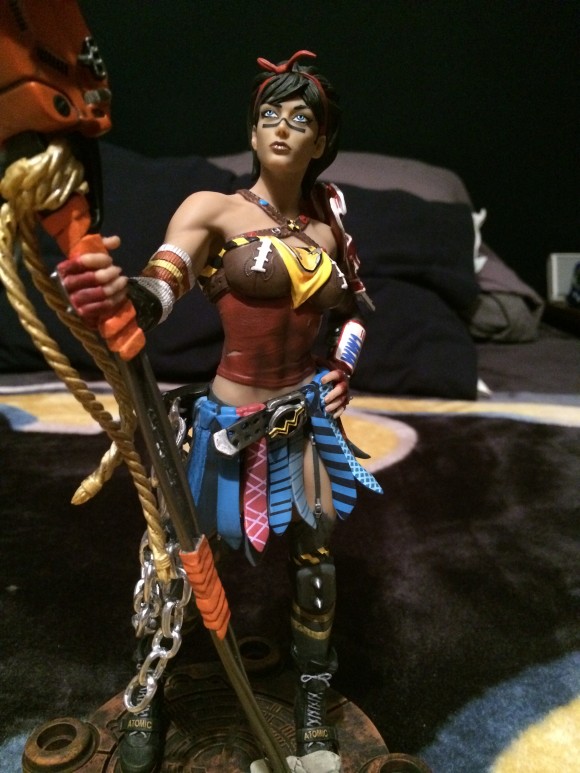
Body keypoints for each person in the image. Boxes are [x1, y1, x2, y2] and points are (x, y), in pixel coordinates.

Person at [58, 50, 382, 773]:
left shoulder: (331, 227)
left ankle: (311, 701)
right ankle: (149, 692)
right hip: (225, 431)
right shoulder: (212, 209)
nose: (282, 127)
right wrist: (120, 293)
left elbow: (356, 312)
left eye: (300, 118)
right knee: (175, 563)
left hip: (306, 426)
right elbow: (160, 288)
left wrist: (343, 367)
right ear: (252, 130)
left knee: (317, 566)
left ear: (322, 140)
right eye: (270, 114)